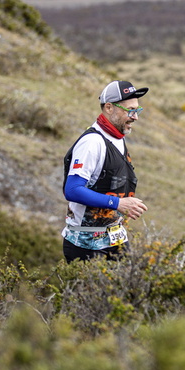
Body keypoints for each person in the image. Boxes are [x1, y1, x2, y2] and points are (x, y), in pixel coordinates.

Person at [61, 80, 149, 262]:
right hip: (86, 244)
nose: (135, 117)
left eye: (137, 110)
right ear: (109, 108)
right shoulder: (92, 143)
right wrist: (118, 204)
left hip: (115, 238)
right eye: (130, 110)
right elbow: (72, 190)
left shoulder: (117, 136)